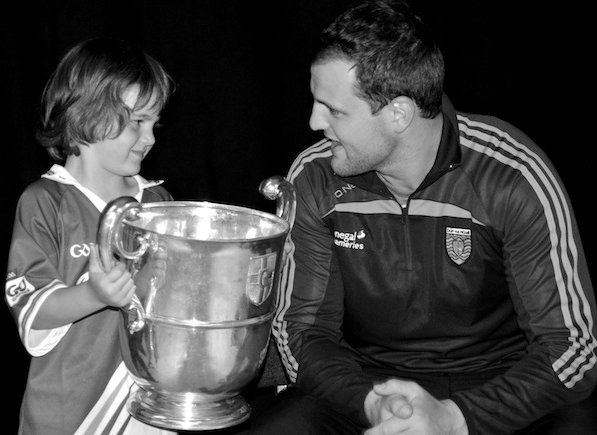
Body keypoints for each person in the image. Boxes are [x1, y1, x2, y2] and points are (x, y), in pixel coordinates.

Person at [250, 1, 597, 434]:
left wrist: (455, 419)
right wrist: (372, 404)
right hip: (368, 384)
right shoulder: (314, 175)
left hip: (500, 385)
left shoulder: (512, 174)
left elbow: (570, 350)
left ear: (398, 113)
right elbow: (302, 332)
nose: (314, 121)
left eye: (334, 110)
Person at [4, 37, 176, 434]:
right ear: (86, 113)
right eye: (137, 122)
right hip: (69, 417)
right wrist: (94, 295)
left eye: (154, 123)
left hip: (150, 411)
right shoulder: (44, 202)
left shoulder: (158, 200)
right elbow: (31, 313)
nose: (150, 138)